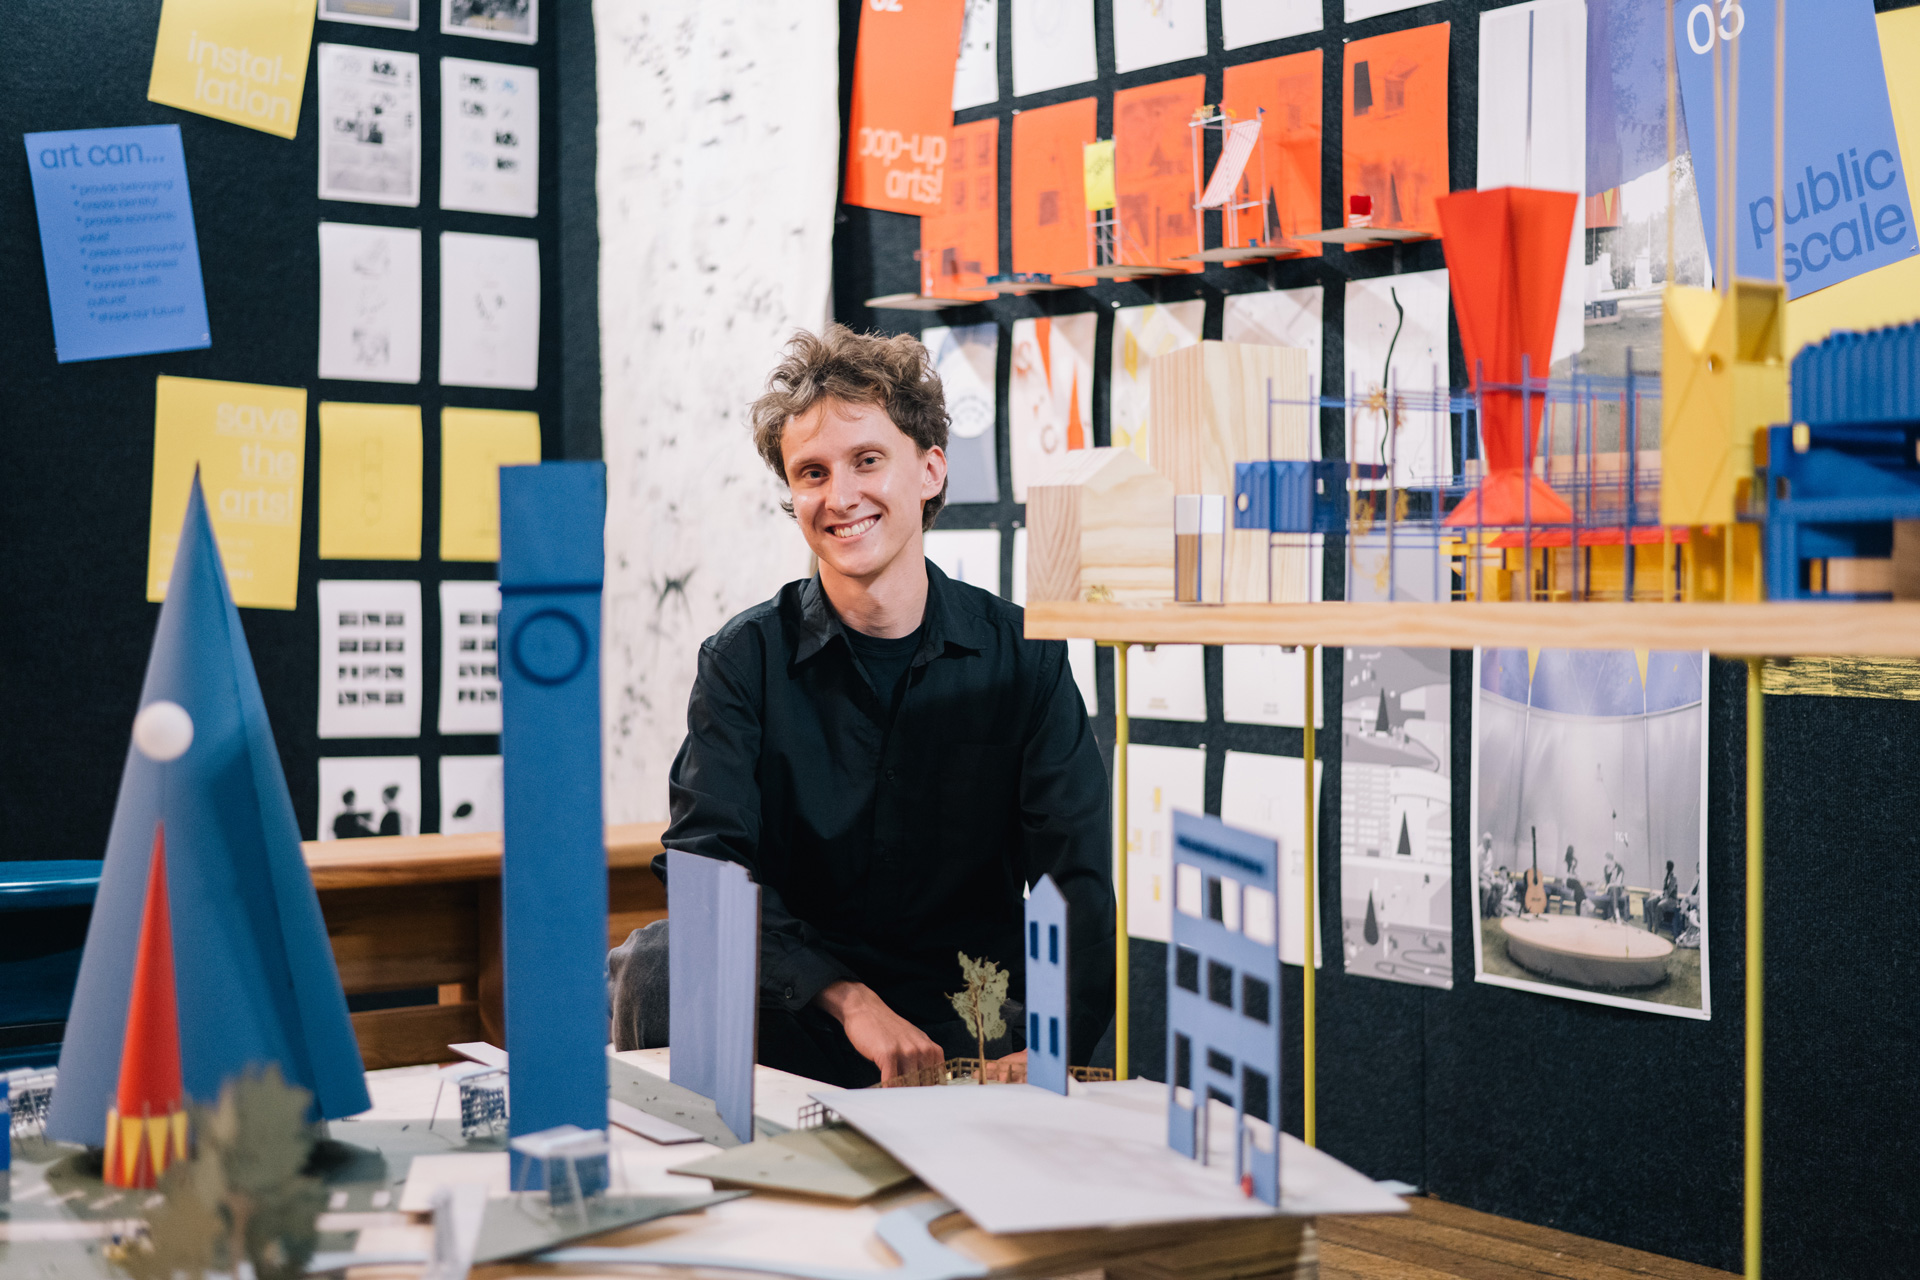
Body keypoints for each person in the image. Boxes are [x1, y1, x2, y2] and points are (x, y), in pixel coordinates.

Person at [607, 326, 1115, 1088]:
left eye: (867, 460)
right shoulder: (743, 661)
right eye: (812, 473)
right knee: (654, 959)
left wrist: (1052, 1043)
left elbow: (1075, 885)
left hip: (963, 1016)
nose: (839, 497)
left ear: (931, 471)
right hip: (798, 1010)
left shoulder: (1026, 657)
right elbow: (707, 867)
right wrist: (847, 998)